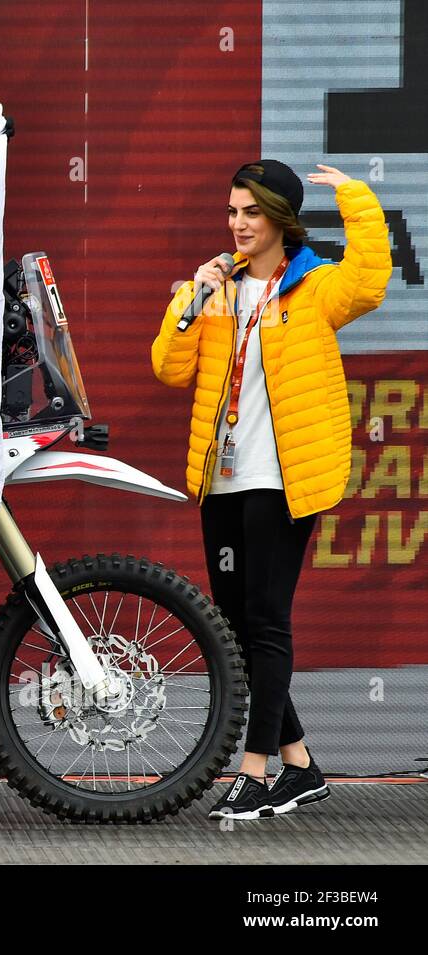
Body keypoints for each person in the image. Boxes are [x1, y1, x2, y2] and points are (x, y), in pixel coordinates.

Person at [151, 159, 391, 820]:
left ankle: (253, 772)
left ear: (281, 219)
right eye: (232, 211)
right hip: (223, 478)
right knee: (235, 625)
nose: (237, 224)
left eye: (251, 212)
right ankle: (301, 765)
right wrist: (190, 298)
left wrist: (355, 196)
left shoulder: (314, 287)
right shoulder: (218, 288)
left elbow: (371, 282)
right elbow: (168, 367)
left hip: (283, 481)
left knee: (266, 620)